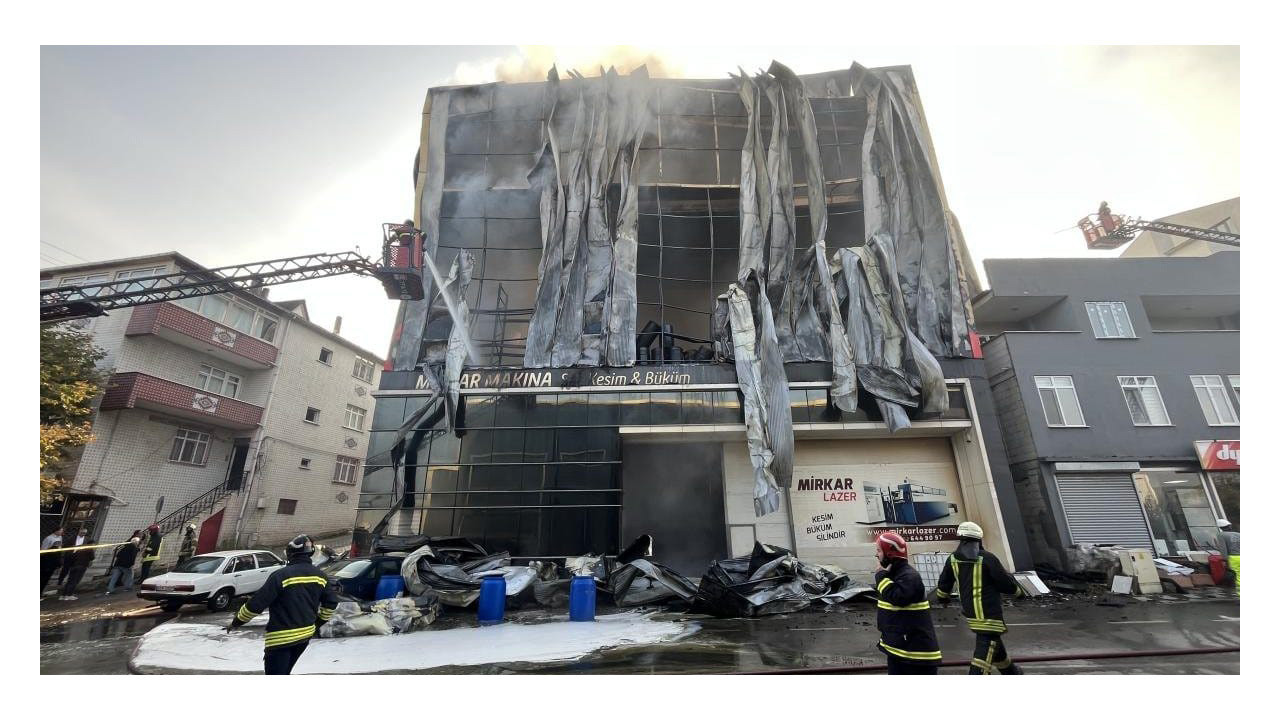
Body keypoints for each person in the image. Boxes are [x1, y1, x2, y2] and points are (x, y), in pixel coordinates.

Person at [229, 534, 341, 675]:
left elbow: (255, 605)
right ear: (310, 553)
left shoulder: (281, 575)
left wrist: (237, 621)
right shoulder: (320, 575)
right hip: (304, 637)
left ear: (290, 553)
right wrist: (317, 623)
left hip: (280, 639)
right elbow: (331, 603)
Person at [936, 521, 1025, 675]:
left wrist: (943, 599)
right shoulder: (987, 558)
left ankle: (1011, 672)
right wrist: (1019, 593)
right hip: (989, 615)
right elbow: (1004, 583)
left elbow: (944, 584)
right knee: (984, 651)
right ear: (979, 539)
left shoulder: (953, 559)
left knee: (995, 648)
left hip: (971, 613)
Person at [873, 531, 942, 674]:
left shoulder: (909, 576)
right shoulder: (894, 575)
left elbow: (897, 598)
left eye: (879, 551)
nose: (876, 555)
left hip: (915, 656)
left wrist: (880, 576)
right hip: (900, 651)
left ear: (890, 553)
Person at [59, 527, 95, 600]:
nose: (83, 534)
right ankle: (69, 594)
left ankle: (64, 594)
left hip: (74, 563)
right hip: (79, 564)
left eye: (84, 533)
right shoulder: (74, 539)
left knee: (70, 579)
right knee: (75, 580)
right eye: (82, 532)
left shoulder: (81, 547)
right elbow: (92, 557)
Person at [1216, 519, 1241, 590]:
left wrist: (1225, 560)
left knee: (1236, 576)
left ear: (1220, 528)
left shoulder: (1221, 535)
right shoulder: (1238, 534)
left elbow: (1223, 548)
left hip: (1233, 558)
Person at [40, 528, 64, 596]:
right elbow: (43, 549)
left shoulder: (60, 537)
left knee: (47, 578)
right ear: (56, 531)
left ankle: (40, 592)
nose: (62, 532)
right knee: (42, 577)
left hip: (54, 560)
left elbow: (60, 549)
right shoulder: (49, 538)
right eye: (61, 530)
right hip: (47, 560)